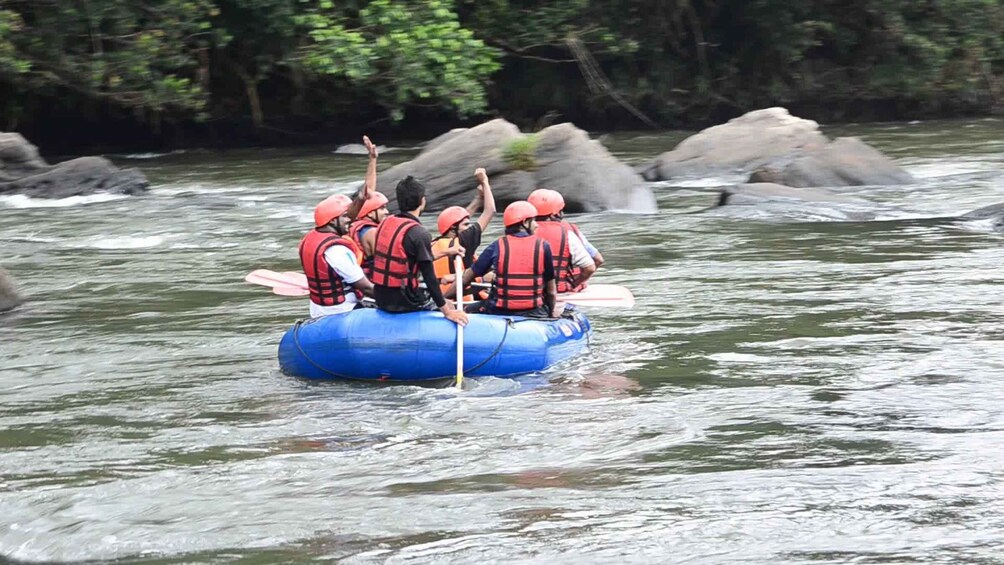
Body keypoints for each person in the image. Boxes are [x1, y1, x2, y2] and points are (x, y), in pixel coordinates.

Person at [370, 175, 468, 326]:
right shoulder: (419, 233)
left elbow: (408, 259)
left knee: (435, 296)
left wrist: (446, 252)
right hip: (405, 301)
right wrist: (447, 312)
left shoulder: (385, 224)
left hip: (380, 297)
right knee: (448, 303)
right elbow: (429, 277)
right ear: (422, 201)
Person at [447, 201, 558, 319]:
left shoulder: (496, 246)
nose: (536, 225)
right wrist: (551, 315)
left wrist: (443, 298)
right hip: (534, 312)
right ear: (525, 222)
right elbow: (551, 292)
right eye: (533, 220)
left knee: (468, 309)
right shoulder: (544, 246)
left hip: (498, 311)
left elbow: (465, 279)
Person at [299, 194, 374, 318]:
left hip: (318, 310)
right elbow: (366, 288)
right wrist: (393, 300)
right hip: (343, 311)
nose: (350, 220)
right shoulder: (337, 250)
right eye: (345, 216)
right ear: (333, 220)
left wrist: (361, 198)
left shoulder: (308, 240)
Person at [432, 167, 496, 297]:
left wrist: (478, 199)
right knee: (491, 275)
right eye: (466, 225)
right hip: (463, 302)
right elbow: (490, 211)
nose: (469, 227)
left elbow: (457, 219)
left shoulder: (432, 243)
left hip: (439, 299)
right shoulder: (463, 241)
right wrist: (485, 182)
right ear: (452, 229)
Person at [527, 188, 597, 292]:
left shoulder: (519, 234)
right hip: (562, 292)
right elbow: (596, 262)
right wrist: (575, 284)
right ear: (554, 214)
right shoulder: (569, 232)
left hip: (530, 294)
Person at [347, 138, 387, 279]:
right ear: (370, 213)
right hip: (372, 286)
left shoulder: (351, 224)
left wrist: (373, 160)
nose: (387, 212)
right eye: (382, 208)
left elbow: (368, 193)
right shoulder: (372, 232)